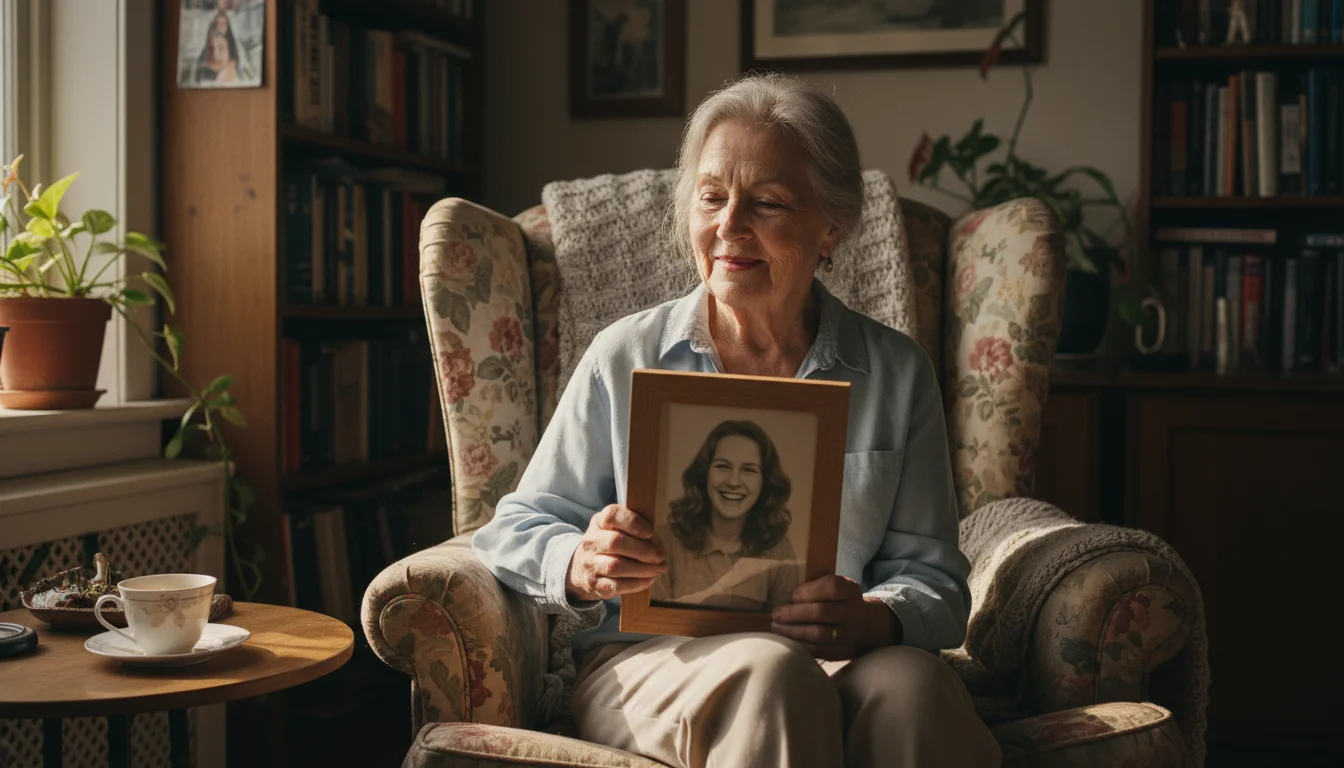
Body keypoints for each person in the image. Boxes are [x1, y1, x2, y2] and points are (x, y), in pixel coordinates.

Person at [473, 73, 1000, 768]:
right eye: (712, 197)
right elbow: (513, 528)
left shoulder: (897, 373)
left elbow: (935, 583)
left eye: (769, 203)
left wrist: (876, 617)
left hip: (840, 660)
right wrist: (580, 561)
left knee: (918, 688)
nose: (729, 226)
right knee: (773, 672)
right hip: (654, 666)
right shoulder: (623, 356)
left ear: (831, 227)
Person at [650, 419, 803, 611]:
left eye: (749, 470)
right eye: (723, 466)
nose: (733, 482)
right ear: (705, 473)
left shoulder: (779, 549)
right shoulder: (665, 542)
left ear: (765, 481)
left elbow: (786, 628)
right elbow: (656, 628)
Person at [194, 10, 239, 85]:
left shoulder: (231, 43)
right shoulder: (210, 44)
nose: (222, 26)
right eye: (219, 23)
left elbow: (234, 61)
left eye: (224, 23)